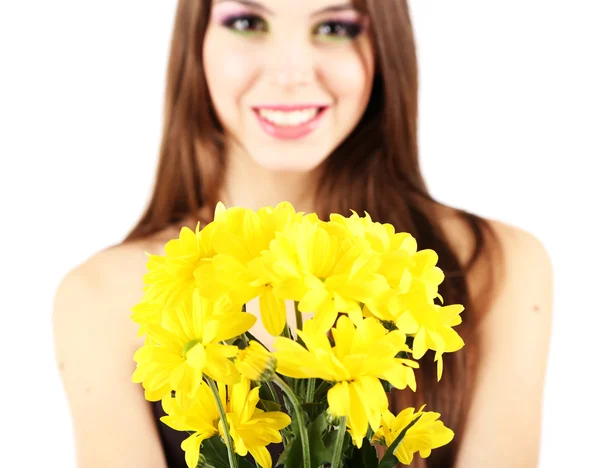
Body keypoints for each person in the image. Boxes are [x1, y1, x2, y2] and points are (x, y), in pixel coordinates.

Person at [51, 0, 554, 467]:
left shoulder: (499, 265)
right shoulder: (101, 296)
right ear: (195, 41)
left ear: (385, 46)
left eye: (334, 27)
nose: (290, 73)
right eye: (249, 22)